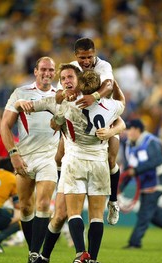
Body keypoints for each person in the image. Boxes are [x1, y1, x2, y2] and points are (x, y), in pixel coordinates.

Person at [15, 64, 126, 263]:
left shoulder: (67, 106)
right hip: (96, 164)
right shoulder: (108, 105)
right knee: (69, 216)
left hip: (74, 162)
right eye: (63, 78)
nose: (66, 81)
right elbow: (121, 107)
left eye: (70, 78)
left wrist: (31, 105)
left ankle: (80, 253)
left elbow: (53, 121)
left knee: (70, 213)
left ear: (80, 82)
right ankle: (71, 257)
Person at [0, 56, 59, 263]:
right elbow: (5, 125)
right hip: (24, 156)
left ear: (55, 72)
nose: (47, 73)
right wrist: (13, 154)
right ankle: (32, 250)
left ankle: (35, 254)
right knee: (25, 206)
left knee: (44, 203)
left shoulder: (60, 96)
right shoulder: (20, 93)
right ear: (35, 71)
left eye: (51, 70)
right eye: (43, 69)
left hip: (49, 157)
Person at [60, 37, 121, 225]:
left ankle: (113, 201)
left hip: (103, 115)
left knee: (111, 159)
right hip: (77, 117)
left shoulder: (103, 66)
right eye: (82, 58)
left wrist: (93, 97)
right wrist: (65, 93)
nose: (86, 61)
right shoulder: (71, 68)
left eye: (89, 57)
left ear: (95, 53)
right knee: (59, 156)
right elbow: (60, 89)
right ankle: (62, 195)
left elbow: (109, 85)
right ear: (75, 56)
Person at [121, 119, 162, 250]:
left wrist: (137, 170)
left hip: (158, 181)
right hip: (145, 183)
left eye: (130, 129)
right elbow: (129, 169)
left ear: (138, 130)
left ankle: (135, 242)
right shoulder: (129, 145)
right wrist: (120, 189)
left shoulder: (151, 142)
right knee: (150, 212)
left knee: (145, 213)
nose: (127, 132)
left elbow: (158, 160)